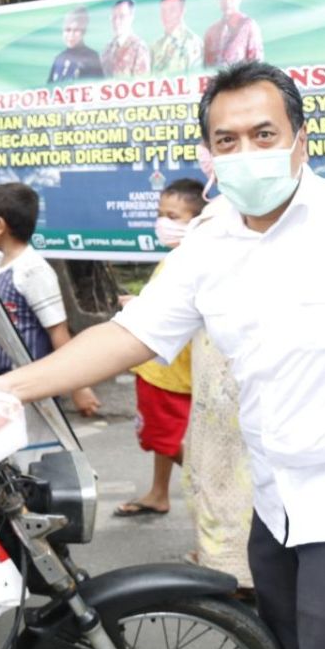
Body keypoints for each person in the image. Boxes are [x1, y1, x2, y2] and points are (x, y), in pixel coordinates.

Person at [0, 61, 325, 649]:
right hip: (275, 496)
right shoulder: (211, 240)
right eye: (228, 140)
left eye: (264, 134)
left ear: (301, 139)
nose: (247, 151)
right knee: (284, 641)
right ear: (210, 154)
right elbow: (130, 335)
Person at [114, 179, 204, 517]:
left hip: (168, 371)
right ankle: (158, 493)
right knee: (161, 435)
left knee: (162, 438)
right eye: (160, 214)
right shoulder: (179, 257)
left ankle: (212, 490)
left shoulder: (190, 260)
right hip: (161, 368)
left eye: (173, 215)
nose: (163, 222)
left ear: (198, 221)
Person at [0, 182, 100, 417]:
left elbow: (58, 332)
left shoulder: (32, 270)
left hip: (35, 389)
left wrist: (79, 386)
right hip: (11, 384)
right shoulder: (3, 266)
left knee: (38, 450)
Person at [203, 0, 264, 67]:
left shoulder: (248, 26)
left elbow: (256, 62)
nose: (227, 2)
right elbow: (206, 65)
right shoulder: (212, 30)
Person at [150, 0, 203, 75]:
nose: (166, 15)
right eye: (163, 10)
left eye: (172, 10)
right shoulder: (156, 45)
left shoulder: (193, 42)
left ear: (182, 11)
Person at [48, 6, 104, 83]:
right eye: (67, 30)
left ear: (83, 32)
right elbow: (50, 88)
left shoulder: (92, 57)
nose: (71, 35)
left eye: (76, 30)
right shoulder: (58, 59)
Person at [101, 0, 151, 77]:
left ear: (131, 17)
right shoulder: (108, 48)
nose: (116, 22)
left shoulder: (139, 47)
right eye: (114, 17)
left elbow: (142, 83)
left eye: (122, 16)